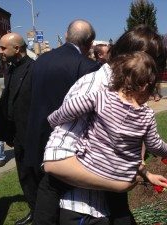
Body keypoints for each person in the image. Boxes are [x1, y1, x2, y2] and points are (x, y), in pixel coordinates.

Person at [39, 25, 167, 225]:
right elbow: (55, 162)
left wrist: (145, 173)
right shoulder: (97, 87)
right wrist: (118, 185)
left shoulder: (125, 94)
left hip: (105, 206)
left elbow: (120, 146)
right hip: (85, 210)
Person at [23, 19, 100, 225]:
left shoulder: (41, 60)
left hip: (37, 139)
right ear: (90, 43)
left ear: (66, 36)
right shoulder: (90, 67)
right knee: (64, 204)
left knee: (44, 199)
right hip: (67, 146)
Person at [0, 32, 36, 225]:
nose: (0, 51)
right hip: (16, 135)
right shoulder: (10, 70)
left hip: (32, 135)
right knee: (24, 176)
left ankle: (42, 212)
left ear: (17, 49)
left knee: (36, 175)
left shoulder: (34, 69)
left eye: (3, 48)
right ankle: (33, 209)